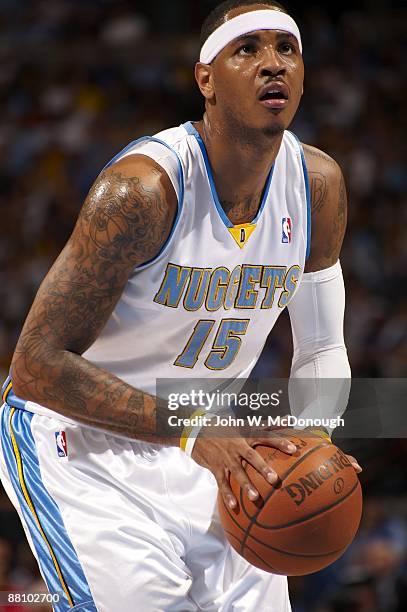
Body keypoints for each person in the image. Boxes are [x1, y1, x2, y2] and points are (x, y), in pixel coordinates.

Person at [0, 1, 362, 610]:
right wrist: (196, 433)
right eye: (247, 50)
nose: (272, 64)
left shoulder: (316, 187)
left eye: (287, 49)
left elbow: (323, 346)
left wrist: (314, 437)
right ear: (206, 80)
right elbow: (35, 366)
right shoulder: (143, 191)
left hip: (212, 440)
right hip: (83, 444)